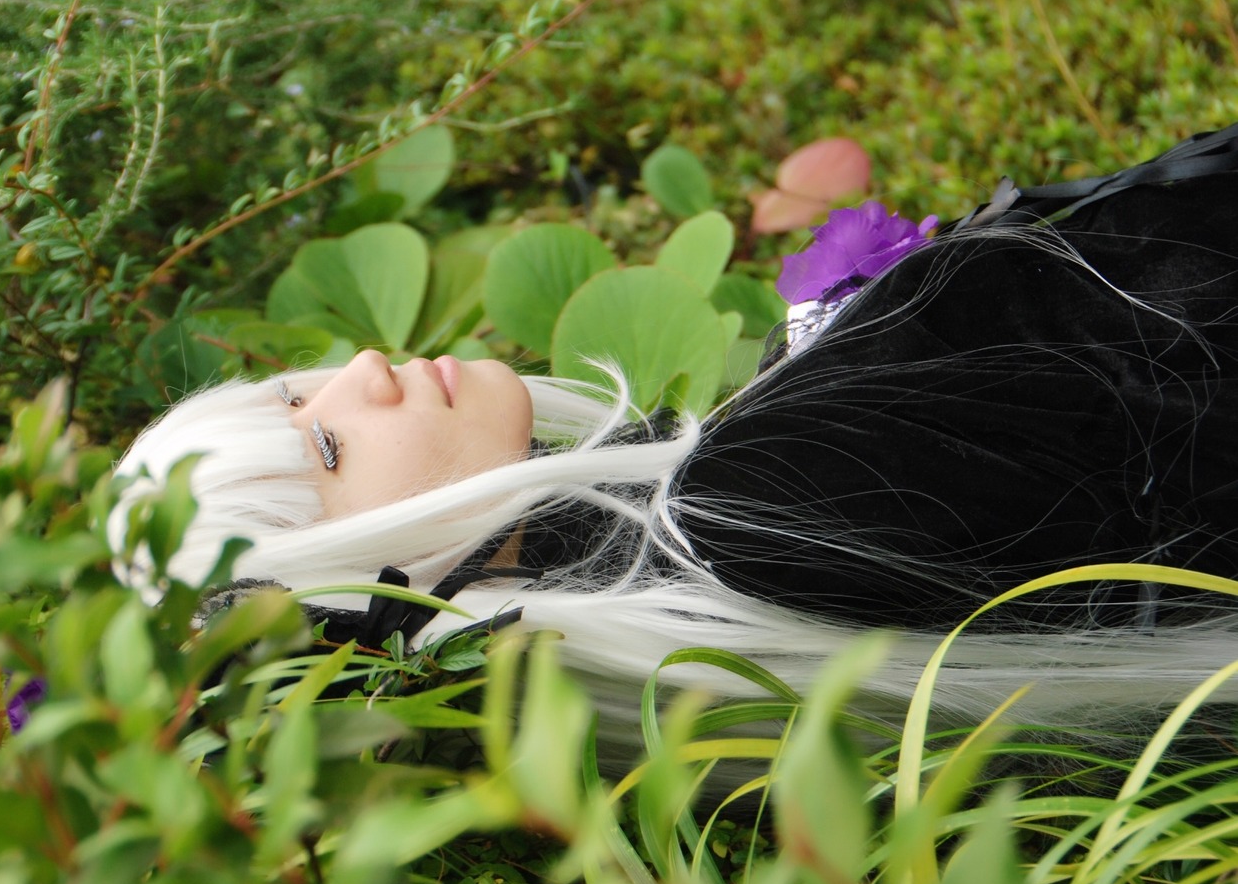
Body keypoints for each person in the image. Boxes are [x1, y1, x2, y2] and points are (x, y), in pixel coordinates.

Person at [109, 125, 1238, 749]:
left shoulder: (704, 656)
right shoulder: (764, 503)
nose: (359, 372)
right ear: (376, 589)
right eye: (329, 452)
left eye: (297, 401)